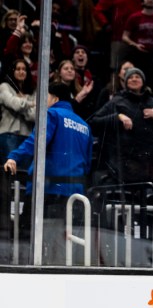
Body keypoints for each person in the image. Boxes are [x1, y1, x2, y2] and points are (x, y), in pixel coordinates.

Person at [3, 82, 92, 265]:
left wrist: (14, 157)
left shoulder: (51, 114)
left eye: (46, 96)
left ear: (55, 98)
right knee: (62, 243)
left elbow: (35, 142)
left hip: (47, 190)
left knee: (30, 240)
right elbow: (88, 161)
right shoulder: (84, 125)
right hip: (75, 193)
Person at [87, 67, 153, 186]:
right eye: (130, 77)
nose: (134, 79)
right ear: (125, 82)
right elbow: (92, 122)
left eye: (137, 77)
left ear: (143, 81)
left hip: (152, 167)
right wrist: (117, 117)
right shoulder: (116, 101)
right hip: (125, 167)